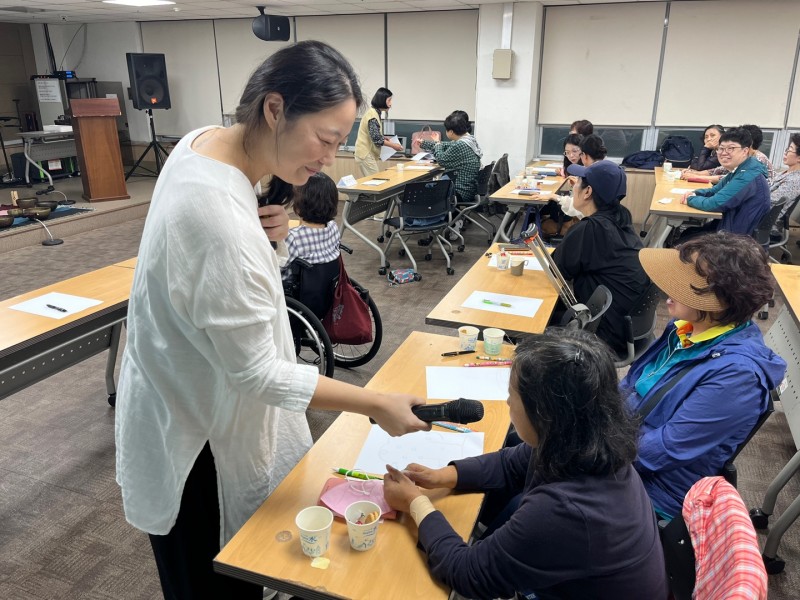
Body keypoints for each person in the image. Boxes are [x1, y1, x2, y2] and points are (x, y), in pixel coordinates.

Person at [115, 41, 429, 600]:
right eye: (325, 139)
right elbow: (258, 373)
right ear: (275, 108)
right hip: (196, 437)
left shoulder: (204, 143)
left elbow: (228, 265)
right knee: (214, 578)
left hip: (182, 394)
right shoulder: (216, 217)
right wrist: (375, 403)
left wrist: (269, 236)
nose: (329, 158)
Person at [383, 329, 668, 600]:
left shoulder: (566, 511)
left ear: (543, 412)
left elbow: (467, 573)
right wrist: (442, 476)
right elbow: (510, 463)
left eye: (513, 394)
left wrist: (416, 504)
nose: (508, 401)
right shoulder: (583, 439)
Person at [622, 233, 786, 519]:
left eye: (685, 283)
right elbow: (630, 384)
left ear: (719, 301)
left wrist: (593, 448)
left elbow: (665, 449)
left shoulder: (738, 377)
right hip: (623, 448)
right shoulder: (683, 328)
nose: (669, 285)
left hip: (654, 491)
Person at [552, 160, 650, 355]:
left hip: (602, 334)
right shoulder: (621, 221)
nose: (573, 188)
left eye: (577, 183)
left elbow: (556, 272)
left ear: (588, 192)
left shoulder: (589, 229)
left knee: (536, 318)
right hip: (625, 329)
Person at [680, 127, 770, 236]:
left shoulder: (748, 175)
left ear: (745, 151)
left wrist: (690, 199)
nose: (724, 153)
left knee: (686, 238)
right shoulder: (740, 169)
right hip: (729, 226)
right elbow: (715, 190)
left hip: (737, 238)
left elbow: (714, 203)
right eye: (721, 148)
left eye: (731, 148)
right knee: (687, 233)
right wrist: (695, 193)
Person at [281, 172, 341, 283]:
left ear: (299, 204)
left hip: (294, 291)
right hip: (327, 289)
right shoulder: (333, 227)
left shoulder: (293, 238)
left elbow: (276, 270)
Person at [418, 110, 483, 202]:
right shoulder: (469, 140)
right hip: (469, 190)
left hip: (459, 191)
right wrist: (424, 143)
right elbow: (446, 145)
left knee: (419, 192)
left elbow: (441, 160)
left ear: (451, 132)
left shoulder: (460, 145)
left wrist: (437, 143)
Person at [354, 87, 403, 177]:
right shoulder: (372, 115)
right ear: (382, 100)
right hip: (365, 154)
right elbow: (377, 139)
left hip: (366, 154)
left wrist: (382, 137)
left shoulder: (375, 113)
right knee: (375, 180)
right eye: (389, 100)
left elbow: (374, 135)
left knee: (373, 181)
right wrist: (393, 146)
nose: (391, 104)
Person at [770, 133, 800, 236]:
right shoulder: (786, 173)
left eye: (789, 150)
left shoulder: (795, 180)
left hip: (765, 223)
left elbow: (771, 202)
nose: (785, 153)